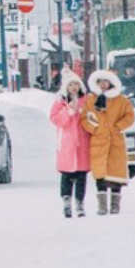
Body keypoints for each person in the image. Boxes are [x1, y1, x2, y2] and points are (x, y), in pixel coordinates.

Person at [81, 68, 135, 215]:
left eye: (105, 81)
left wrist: (118, 126)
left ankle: (115, 204)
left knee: (116, 173)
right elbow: (85, 119)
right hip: (98, 141)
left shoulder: (121, 100)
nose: (103, 84)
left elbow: (129, 116)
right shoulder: (90, 100)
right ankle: (102, 205)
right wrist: (95, 129)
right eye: (100, 82)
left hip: (115, 141)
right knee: (100, 174)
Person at [49, 69, 92, 219]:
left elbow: (91, 118)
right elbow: (55, 119)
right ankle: (66, 202)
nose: (74, 87)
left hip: (82, 143)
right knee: (67, 175)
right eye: (71, 84)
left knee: (81, 176)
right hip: (67, 143)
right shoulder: (61, 101)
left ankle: (80, 203)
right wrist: (68, 111)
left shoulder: (86, 100)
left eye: (76, 84)